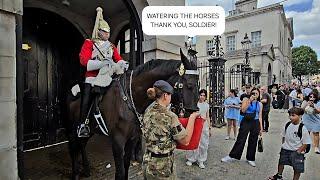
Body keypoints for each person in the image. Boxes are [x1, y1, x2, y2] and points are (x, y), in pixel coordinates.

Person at [77, 7, 129, 137]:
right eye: (105, 32)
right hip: (93, 78)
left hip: (108, 77)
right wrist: (101, 64)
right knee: (87, 99)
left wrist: (123, 64)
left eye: (108, 32)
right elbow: (84, 61)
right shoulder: (89, 43)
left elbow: (118, 58)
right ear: (98, 31)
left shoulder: (111, 46)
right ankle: (83, 124)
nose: (108, 34)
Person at [142, 80, 200, 179]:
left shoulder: (148, 110)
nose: (170, 98)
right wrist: (192, 118)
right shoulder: (170, 116)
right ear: (165, 95)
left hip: (147, 162)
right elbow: (185, 141)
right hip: (163, 166)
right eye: (170, 95)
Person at [221, 88, 263, 167]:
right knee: (241, 139)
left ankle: (250, 158)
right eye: (253, 93)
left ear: (259, 95)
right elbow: (243, 110)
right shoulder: (246, 100)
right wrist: (249, 101)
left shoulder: (260, 104)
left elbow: (260, 116)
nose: (255, 95)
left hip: (255, 122)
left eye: (256, 93)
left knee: (253, 140)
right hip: (246, 121)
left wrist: (261, 128)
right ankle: (232, 156)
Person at [268, 107, 312, 180]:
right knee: (281, 162)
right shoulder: (288, 125)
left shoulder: (303, 128)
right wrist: (284, 145)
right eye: (290, 115)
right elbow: (284, 136)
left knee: (297, 168)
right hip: (286, 149)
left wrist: (298, 152)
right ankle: (279, 176)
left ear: (300, 116)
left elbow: (306, 143)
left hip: (297, 152)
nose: (290, 117)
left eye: (293, 115)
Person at [186, 89, 211, 169]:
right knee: (194, 141)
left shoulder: (207, 105)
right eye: (201, 95)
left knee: (203, 143)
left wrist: (209, 127)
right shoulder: (195, 104)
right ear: (198, 95)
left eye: (204, 95)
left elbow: (207, 116)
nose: (202, 97)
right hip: (195, 124)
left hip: (204, 125)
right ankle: (191, 158)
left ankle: (201, 160)